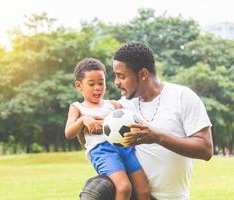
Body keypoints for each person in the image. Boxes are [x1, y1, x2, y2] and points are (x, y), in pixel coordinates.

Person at [80, 42, 213, 200]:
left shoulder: (182, 97)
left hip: (172, 196)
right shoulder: (120, 108)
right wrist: (84, 122)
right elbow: (93, 141)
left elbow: (205, 149)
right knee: (96, 190)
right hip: (133, 194)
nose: (115, 82)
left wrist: (156, 137)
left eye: (121, 76)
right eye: (115, 76)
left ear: (143, 74)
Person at [65, 58, 151, 200]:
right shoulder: (77, 108)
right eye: (91, 84)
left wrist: (110, 122)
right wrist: (83, 120)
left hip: (125, 148)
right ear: (79, 85)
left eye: (101, 82)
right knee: (124, 188)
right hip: (103, 151)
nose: (97, 87)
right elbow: (68, 133)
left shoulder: (113, 105)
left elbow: (134, 120)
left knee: (144, 190)